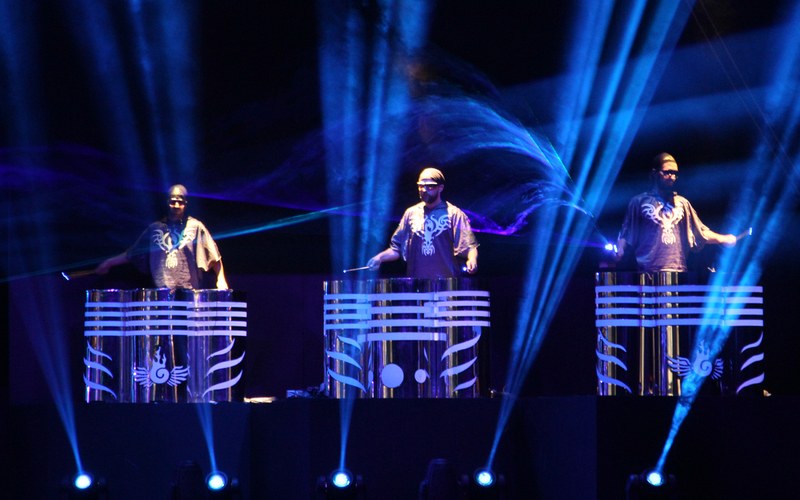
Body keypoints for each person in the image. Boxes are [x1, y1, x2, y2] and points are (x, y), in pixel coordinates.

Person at [615, 152, 736, 272]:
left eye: (674, 173)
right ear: (654, 174)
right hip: (647, 272)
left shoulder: (682, 203)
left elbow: (700, 232)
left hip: (677, 271)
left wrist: (723, 238)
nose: (672, 176)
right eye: (667, 172)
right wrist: (620, 249)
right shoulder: (639, 202)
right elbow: (626, 231)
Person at [95, 184, 228, 289]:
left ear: (185, 204)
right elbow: (132, 254)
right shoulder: (154, 228)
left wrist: (221, 279)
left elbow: (214, 255)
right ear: (167, 202)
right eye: (173, 201)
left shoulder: (196, 227)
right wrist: (109, 263)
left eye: (180, 202)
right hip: (163, 293)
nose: (176, 205)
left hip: (190, 292)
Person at [367, 167, 479, 279]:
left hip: (446, 284)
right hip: (417, 284)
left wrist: (472, 259)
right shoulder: (411, 213)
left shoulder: (454, 214)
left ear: (440, 188)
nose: (424, 190)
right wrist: (379, 258)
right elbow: (396, 248)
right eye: (421, 186)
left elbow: (469, 246)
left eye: (430, 186)